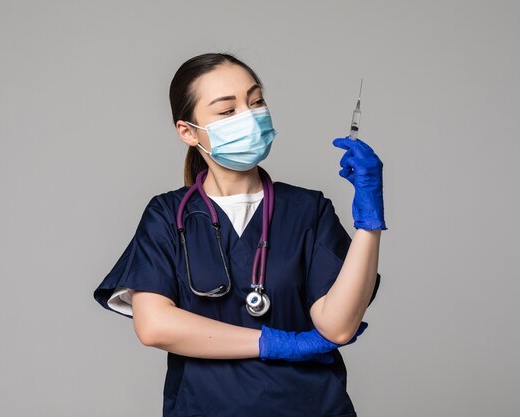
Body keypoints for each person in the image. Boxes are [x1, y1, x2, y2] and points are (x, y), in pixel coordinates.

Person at [93, 52, 386, 417]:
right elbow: (154, 325)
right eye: (227, 111)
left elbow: (338, 326)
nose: (249, 117)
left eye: (256, 101)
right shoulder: (168, 216)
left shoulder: (308, 209)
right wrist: (271, 342)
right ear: (188, 131)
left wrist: (369, 222)